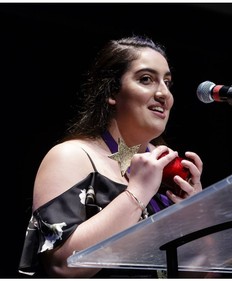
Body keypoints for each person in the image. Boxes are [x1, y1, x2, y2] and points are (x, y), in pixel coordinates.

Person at [18, 35, 203, 278]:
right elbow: (63, 265)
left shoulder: (170, 173)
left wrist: (201, 216)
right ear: (112, 92)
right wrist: (137, 193)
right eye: (146, 79)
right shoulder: (72, 156)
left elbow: (201, 275)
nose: (163, 94)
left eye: (167, 83)